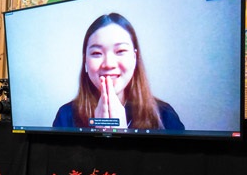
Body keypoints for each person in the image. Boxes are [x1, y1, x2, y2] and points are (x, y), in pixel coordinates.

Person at [53, 13, 184, 130]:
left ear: (135, 58)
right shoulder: (66, 116)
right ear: (85, 61)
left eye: (120, 51)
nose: (109, 64)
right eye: (97, 53)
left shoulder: (165, 116)